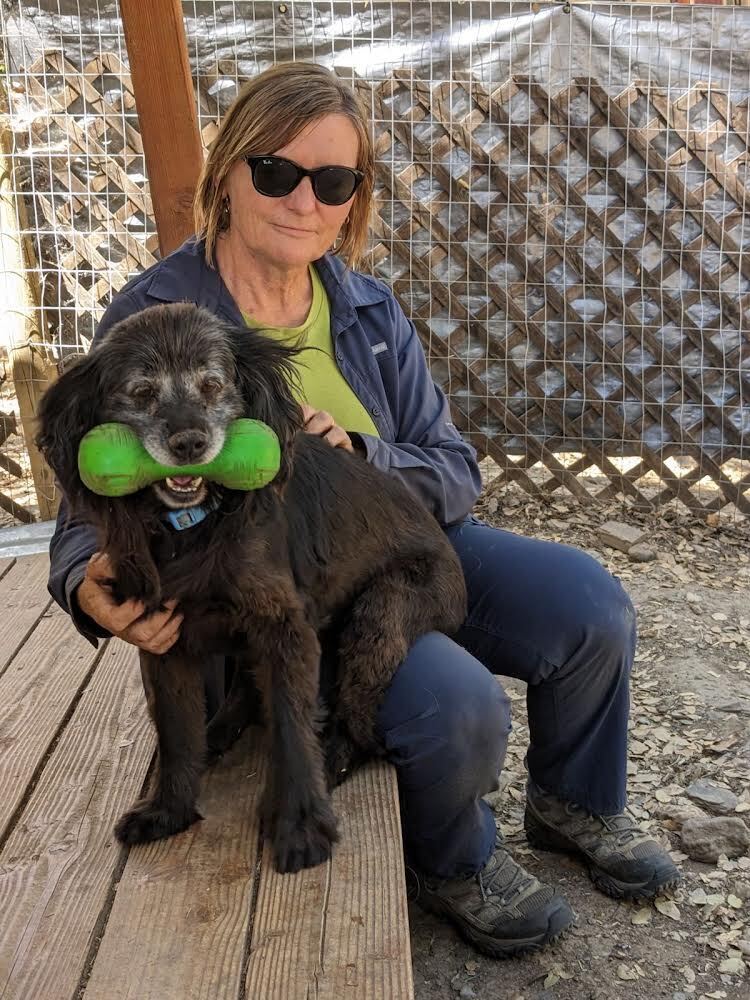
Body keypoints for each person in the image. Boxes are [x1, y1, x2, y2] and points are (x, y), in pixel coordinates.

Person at [47, 61, 680, 959]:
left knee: (589, 604)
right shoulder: (155, 312)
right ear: (229, 171)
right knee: (456, 705)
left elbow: (455, 470)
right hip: (259, 583)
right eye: (278, 172)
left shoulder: (369, 306)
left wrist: (361, 453)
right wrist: (83, 581)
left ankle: (573, 802)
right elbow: (89, 482)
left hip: (395, 539)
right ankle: (452, 859)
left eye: (334, 181)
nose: (305, 200)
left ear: (354, 198)